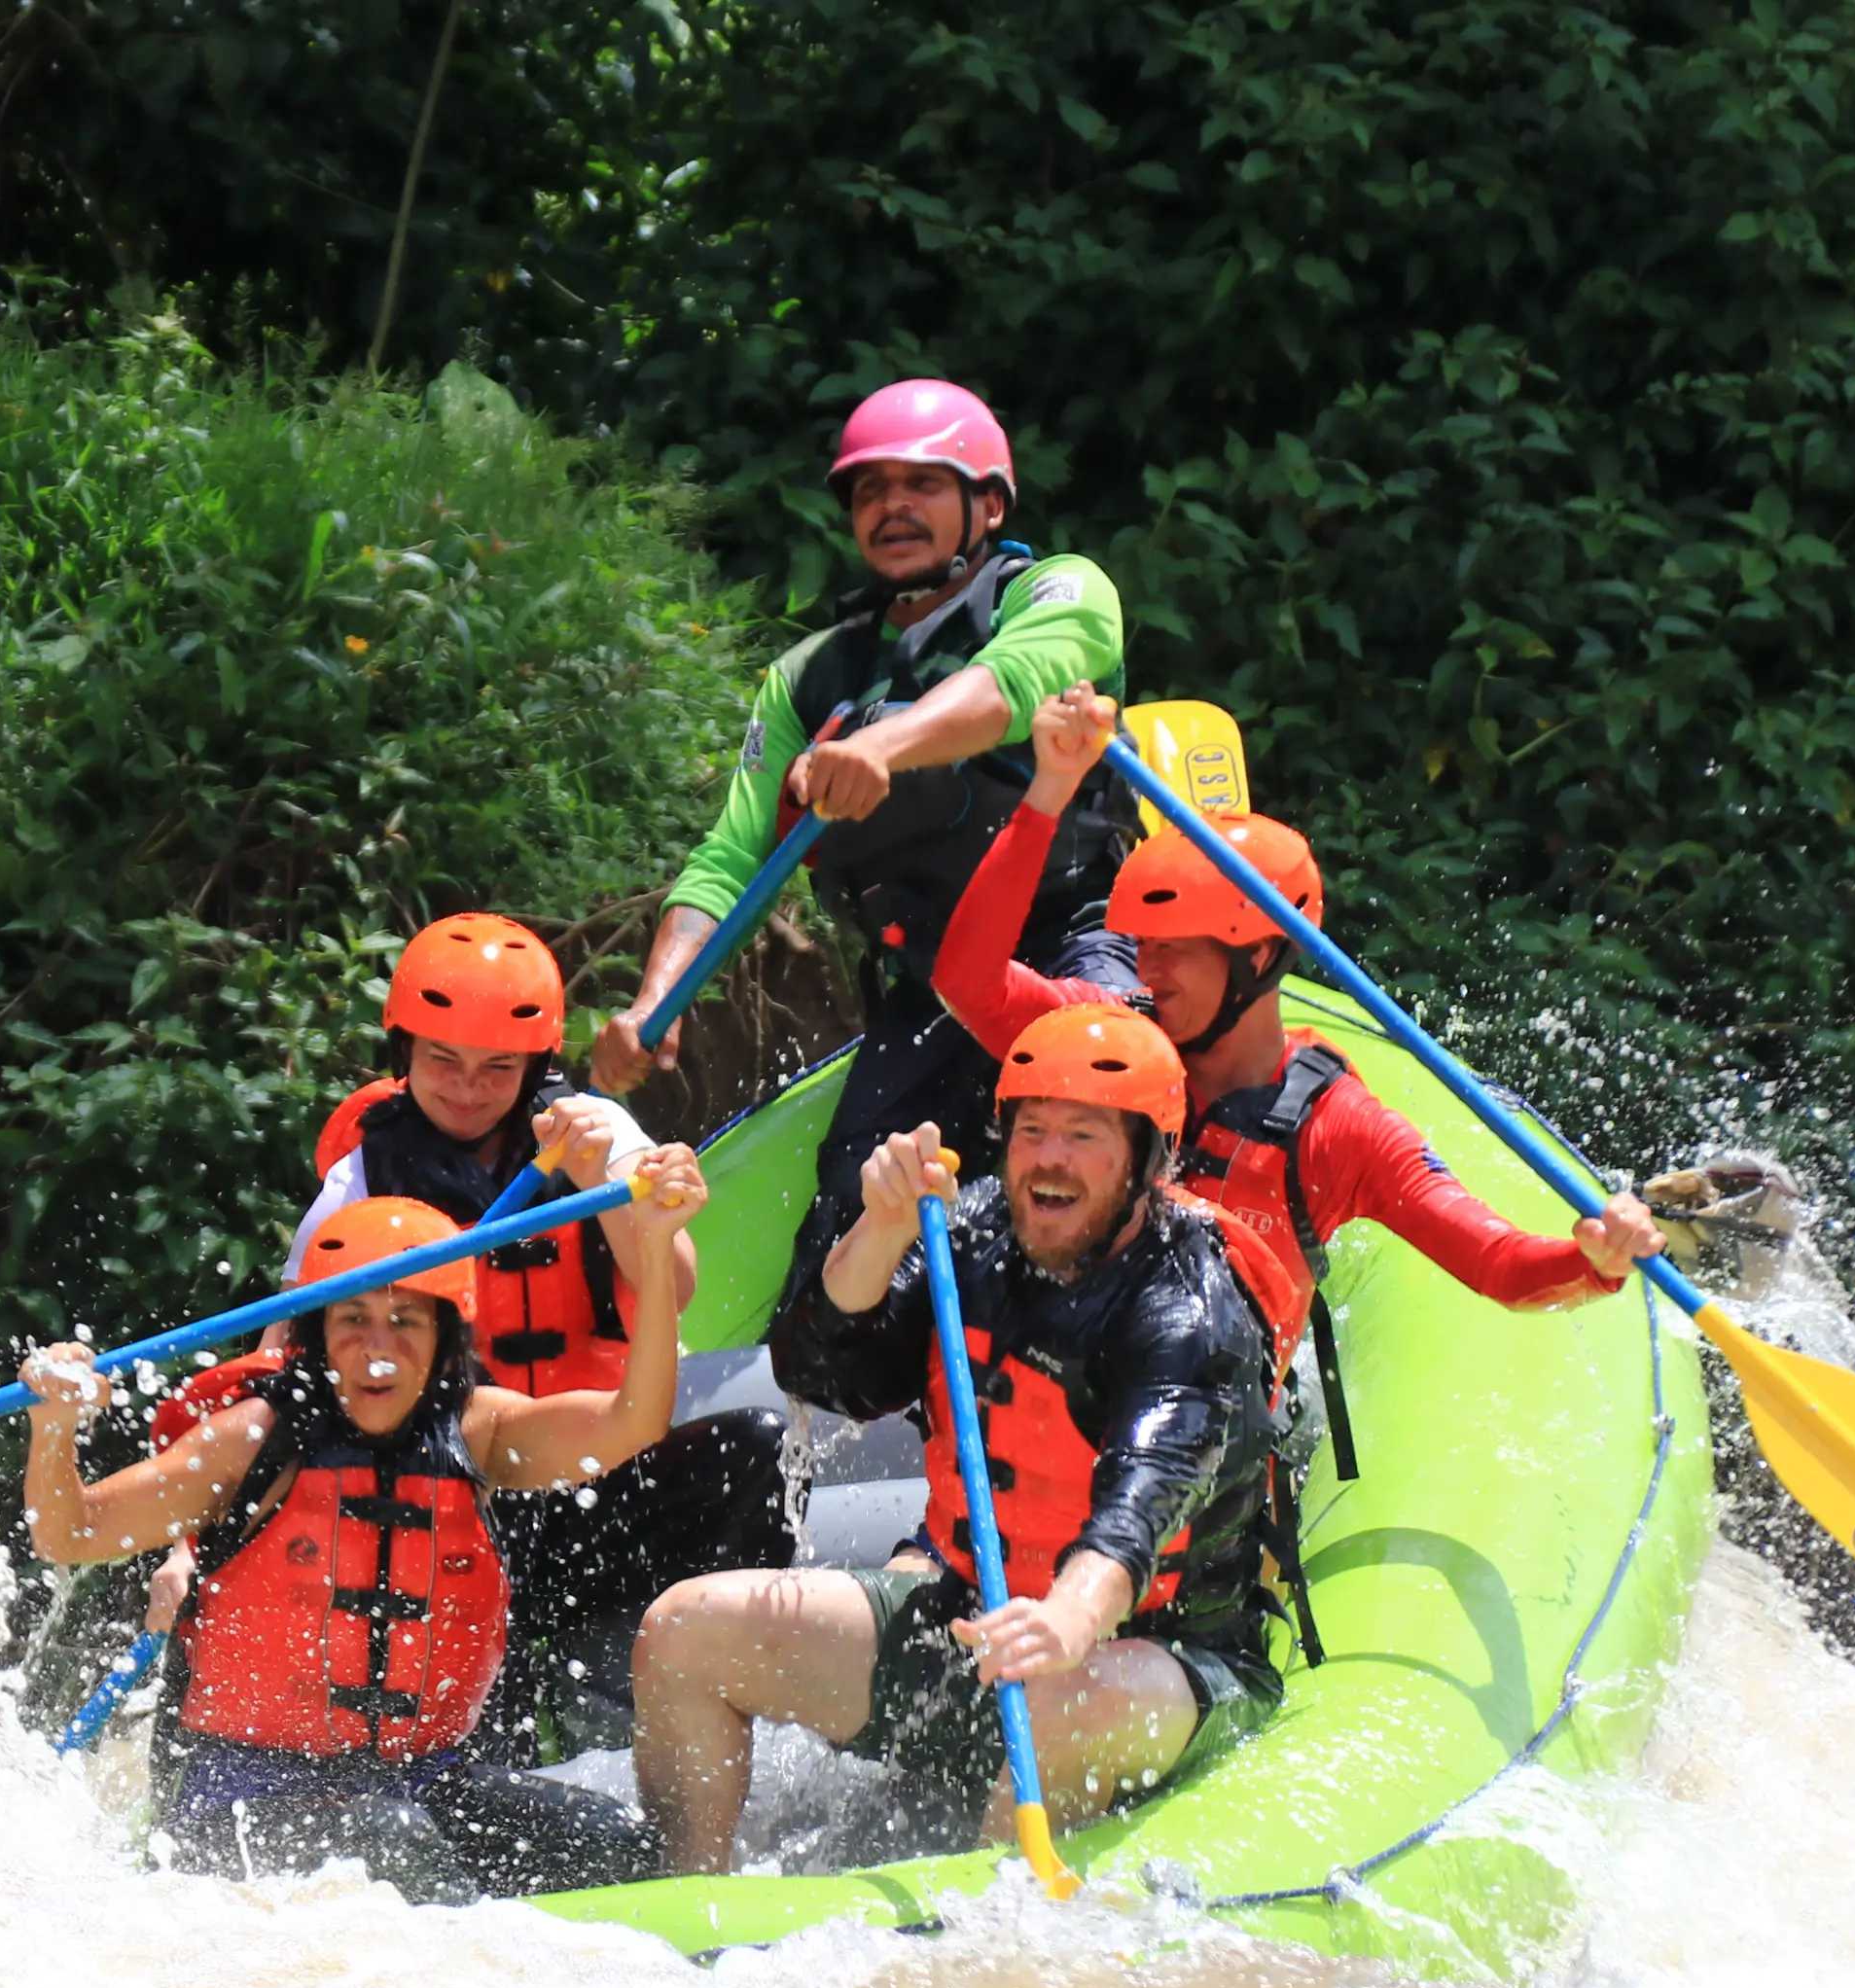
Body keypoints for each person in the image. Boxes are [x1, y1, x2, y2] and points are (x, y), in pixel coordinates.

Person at [934, 688, 1669, 1497]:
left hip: (1186, 1471)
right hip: (1032, 1420)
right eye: (1143, 947)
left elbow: (1499, 1264)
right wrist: (1047, 791)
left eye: (1176, 951)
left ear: (1257, 958)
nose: (1148, 970)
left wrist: (1593, 1261)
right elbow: (966, 981)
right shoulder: (1106, 1040)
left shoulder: (1337, 1128)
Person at [627, 1007, 1280, 1876]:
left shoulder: (1188, 1308)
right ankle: (689, 1899)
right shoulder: (969, 1233)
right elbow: (821, 1376)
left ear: (1148, 1161)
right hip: (970, 1616)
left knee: (1057, 1704)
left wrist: (1069, 1619)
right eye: (1032, 1130)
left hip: (1153, 1655)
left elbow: (1145, 1500)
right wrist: (881, 1227)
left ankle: (985, 1931)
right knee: (683, 1634)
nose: (1049, 1158)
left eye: (1084, 1135)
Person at [587, 379, 1143, 1279]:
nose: (893, 506)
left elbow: (1014, 683)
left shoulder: (1059, 590)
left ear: (990, 504)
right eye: (871, 490)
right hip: (927, 991)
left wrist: (884, 745)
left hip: (1072, 945)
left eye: (922, 483)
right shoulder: (808, 680)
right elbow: (731, 858)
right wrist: (658, 1003)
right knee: (845, 1241)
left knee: (1095, 1147)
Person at [20, 1181, 705, 1903]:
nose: (379, 1350)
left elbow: (635, 1421)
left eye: (406, 1321)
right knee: (397, 1843)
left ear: (444, 1338)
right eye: (354, 1319)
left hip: (419, 1778)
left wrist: (657, 1246)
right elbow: (70, 1534)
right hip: (239, 1792)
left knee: (612, 1842)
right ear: (317, 1333)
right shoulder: (253, 1439)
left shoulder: (481, 1431)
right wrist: (54, 1425)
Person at [300, 913, 794, 1754]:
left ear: (535, 1066)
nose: (468, 1087)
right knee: (494, 1753)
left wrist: (613, 1189)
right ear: (404, 1054)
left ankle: (694, 1684)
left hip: (599, 1463)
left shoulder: (594, 1134)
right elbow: (290, 1352)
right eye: (444, 1061)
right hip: (459, 1495)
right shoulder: (359, 1179)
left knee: (754, 1446)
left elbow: (673, 1284)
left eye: (498, 1067)